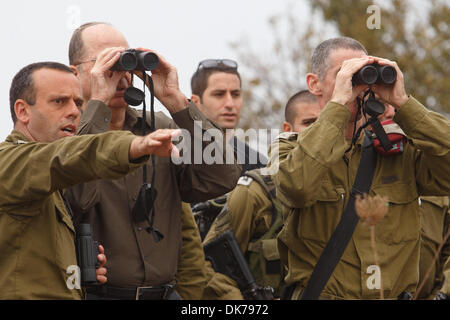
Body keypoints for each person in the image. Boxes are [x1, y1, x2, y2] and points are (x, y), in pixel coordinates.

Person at [64, 22, 240, 300]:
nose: (120, 74)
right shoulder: (64, 137)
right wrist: (97, 103)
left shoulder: (160, 128)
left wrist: (176, 101)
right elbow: (77, 198)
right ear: (75, 73)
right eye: (106, 63)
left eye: (124, 59)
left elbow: (223, 176)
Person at [267, 36, 450, 299]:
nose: (358, 84)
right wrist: (338, 106)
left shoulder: (398, 151)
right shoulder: (288, 150)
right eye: (344, 73)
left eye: (362, 74)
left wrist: (403, 103)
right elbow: (298, 186)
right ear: (314, 84)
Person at [0, 61, 181, 299]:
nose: (74, 111)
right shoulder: (9, 161)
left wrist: (77, 269)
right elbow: (69, 157)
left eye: (78, 102)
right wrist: (134, 144)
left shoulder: (49, 177)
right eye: (59, 101)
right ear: (23, 111)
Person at [201, 90, 321, 300]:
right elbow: (208, 263)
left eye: (323, 123)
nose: (317, 131)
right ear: (288, 129)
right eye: (309, 123)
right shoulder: (257, 192)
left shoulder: (353, 186)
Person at [190, 58, 267, 174]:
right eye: (219, 94)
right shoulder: (174, 154)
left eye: (236, 94)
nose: (230, 104)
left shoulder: (258, 165)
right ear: (196, 103)